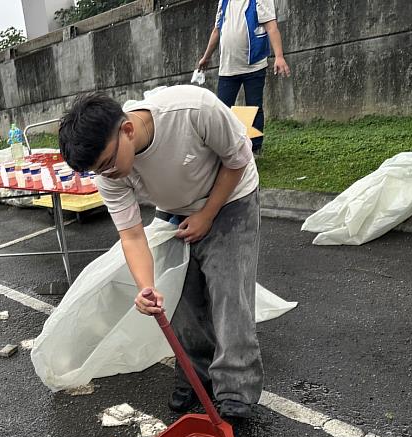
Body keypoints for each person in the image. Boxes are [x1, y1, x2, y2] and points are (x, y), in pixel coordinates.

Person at [59, 87, 262, 419]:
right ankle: (197, 376)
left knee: (229, 293)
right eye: (98, 171)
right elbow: (133, 235)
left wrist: (207, 215)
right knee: (182, 297)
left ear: (127, 129)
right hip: (176, 208)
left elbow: (238, 159)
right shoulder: (107, 173)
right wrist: (146, 288)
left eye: (109, 163)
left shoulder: (193, 109)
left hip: (231, 198)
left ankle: (236, 390)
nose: (107, 175)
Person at [197, 0, 290, 154]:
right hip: (228, 66)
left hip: (254, 64)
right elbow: (217, 30)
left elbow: (271, 26)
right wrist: (206, 57)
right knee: (221, 109)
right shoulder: (224, 2)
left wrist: (279, 56)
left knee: (254, 107)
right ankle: (221, 148)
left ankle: (255, 148)